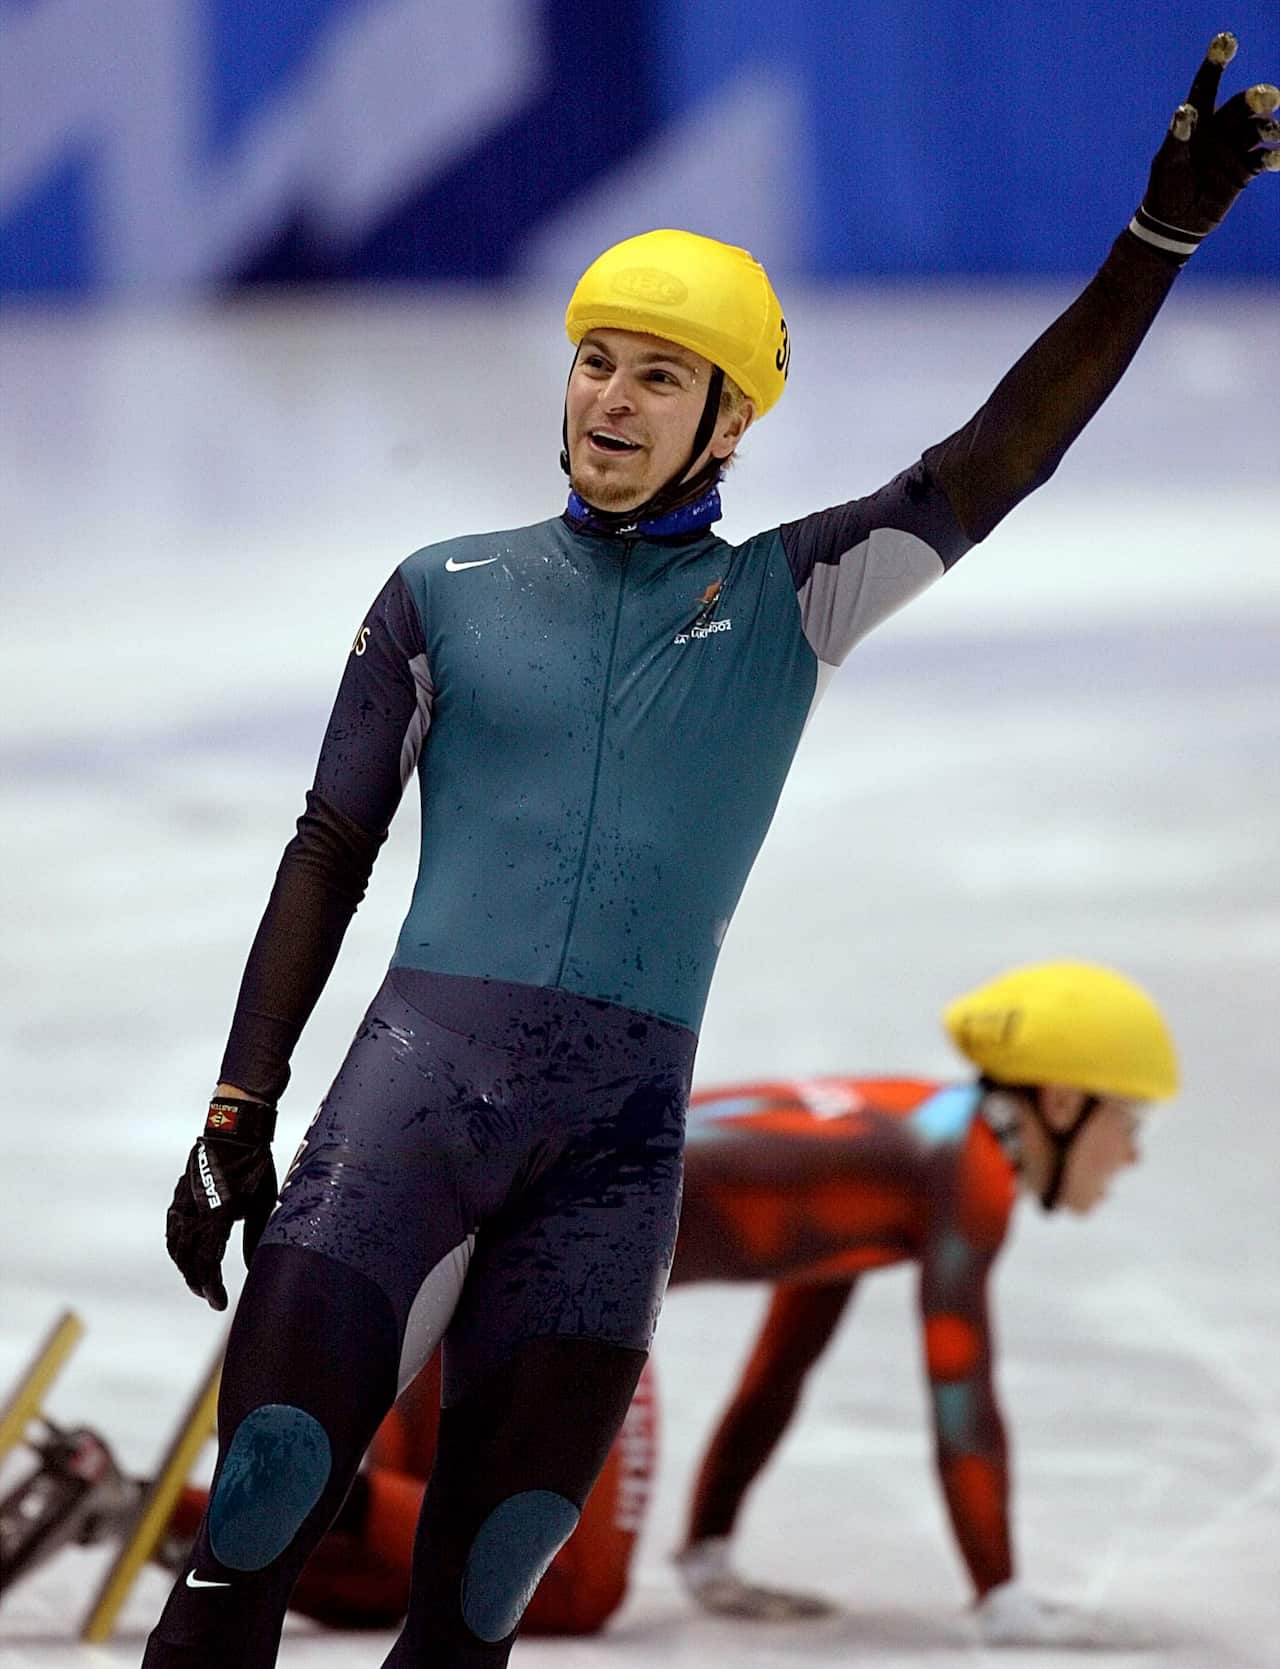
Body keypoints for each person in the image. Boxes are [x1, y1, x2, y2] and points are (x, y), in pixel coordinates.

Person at [147, 35, 1276, 1668]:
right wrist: (239, 1105)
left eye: (658, 376)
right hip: (405, 1117)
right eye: (594, 360)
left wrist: (1155, 243)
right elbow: (330, 842)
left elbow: (1000, 458)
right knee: (256, 1515)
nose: (611, 398)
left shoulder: (788, 604)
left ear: (730, 422)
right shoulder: (440, 589)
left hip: (613, 1163)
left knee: (485, 1598)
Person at [6, 960, 1174, 1651]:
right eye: (1128, 1123)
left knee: (451, 1557)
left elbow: (786, 1359)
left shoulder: (898, 1140)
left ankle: (138, 1504)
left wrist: (711, 1548)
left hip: (458, 1210)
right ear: (1061, 1097)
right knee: (561, 1584)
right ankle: (238, 1494)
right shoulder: (963, 1167)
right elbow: (958, 1388)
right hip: (555, 1256)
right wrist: (1001, 1595)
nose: (1128, 1159)